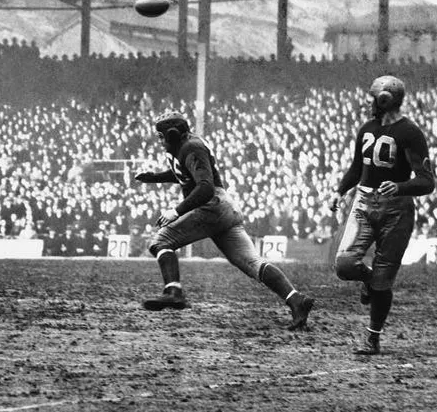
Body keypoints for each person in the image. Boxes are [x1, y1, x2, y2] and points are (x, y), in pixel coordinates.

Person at [134, 112, 314, 331]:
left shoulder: (192, 147)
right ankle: (296, 300)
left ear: (172, 135)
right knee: (252, 263)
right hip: (222, 208)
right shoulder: (186, 147)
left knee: (161, 241)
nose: (160, 142)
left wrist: (176, 210)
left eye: (161, 137)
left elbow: (205, 187)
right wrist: (155, 177)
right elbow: (184, 174)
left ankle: (173, 291)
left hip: (212, 206)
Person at [330, 76, 435, 355]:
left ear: (384, 99)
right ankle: (368, 281)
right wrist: (340, 191)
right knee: (344, 264)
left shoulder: (410, 132)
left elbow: (427, 181)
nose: (368, 101)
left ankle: (372, 337)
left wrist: (400, 186)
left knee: (383, 279)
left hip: (396, 210)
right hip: (363, 202)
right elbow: (356, 168)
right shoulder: (366, 128)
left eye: (372, 96)